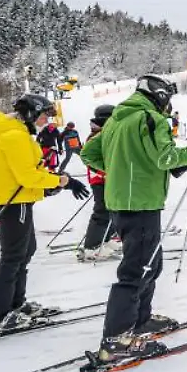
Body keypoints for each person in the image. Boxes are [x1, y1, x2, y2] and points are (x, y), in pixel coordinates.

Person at [81, 75, 187, 361]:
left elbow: (89, 152)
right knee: (137, 270)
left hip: (124, 202)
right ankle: (116, 338)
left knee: (151, 264)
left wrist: (121, 170)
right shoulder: (151, 119)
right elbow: (167, 158)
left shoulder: (117, 119)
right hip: (140, 202)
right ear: (161, 96)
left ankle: (140, 319)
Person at [0, 94, 90, 338]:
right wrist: (62, 181)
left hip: (16, 201)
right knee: (12, 258)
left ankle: (14, 304)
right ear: (31, 113)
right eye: (44, 115)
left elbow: (26, 173)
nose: (46, 120)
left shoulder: (17, 133)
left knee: (25, 252)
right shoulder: (14, 136)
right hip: (13, 203)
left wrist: (49, 185)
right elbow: (27, 176)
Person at [79, 105, 119, 260]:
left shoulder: (102, 133)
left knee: (111, 211)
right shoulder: (97, 135)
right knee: (102, 212)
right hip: (100, 179)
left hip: (106, 178)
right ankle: (92, 246)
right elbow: (91, 159)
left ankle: (105, 239)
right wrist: (106, 172)